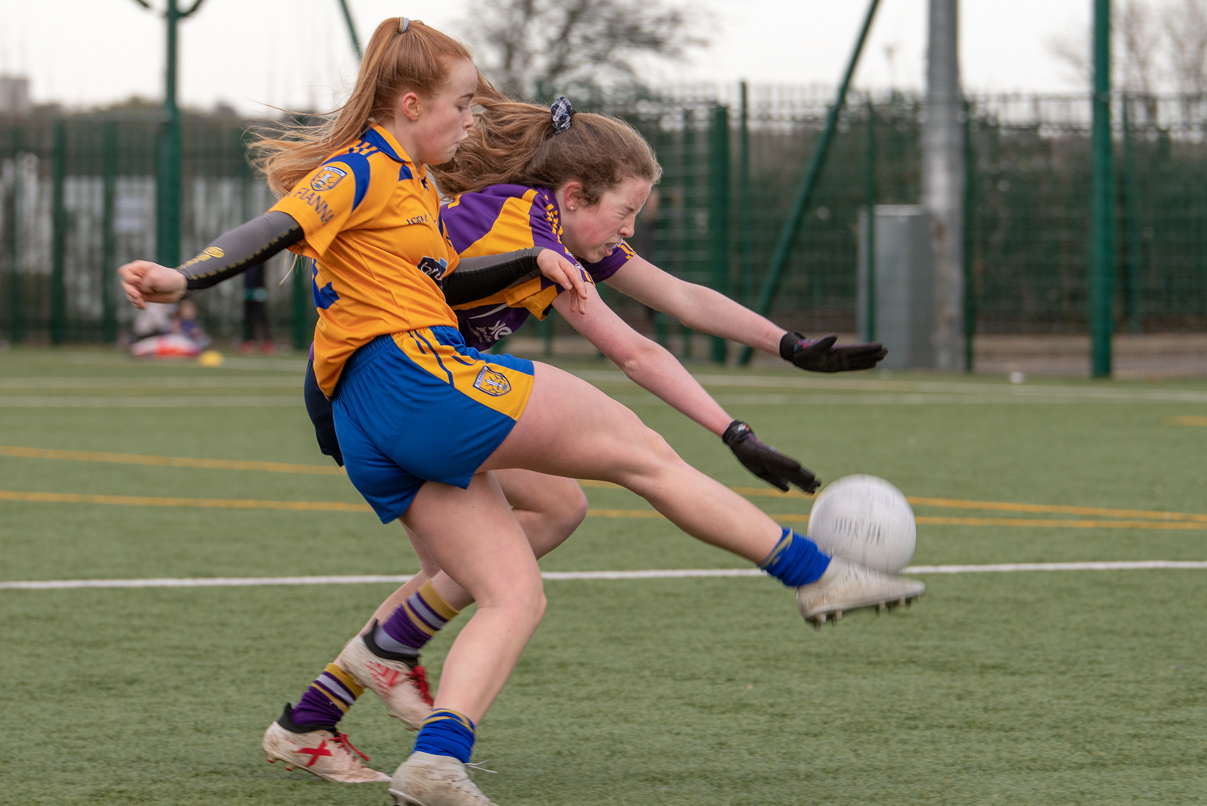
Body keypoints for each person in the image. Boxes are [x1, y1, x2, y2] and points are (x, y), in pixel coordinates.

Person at [119, 18, 923, 805]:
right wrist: (183, 281)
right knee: (641, 455)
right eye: (460, 104)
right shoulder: (439, 190)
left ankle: (379, 732)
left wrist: (785, 346)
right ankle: (814, 574)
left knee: (535, 546)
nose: (471, 120)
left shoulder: (455, 204)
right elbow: (281, 224)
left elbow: (664, 298)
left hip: (369, 410)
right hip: (415, 379)